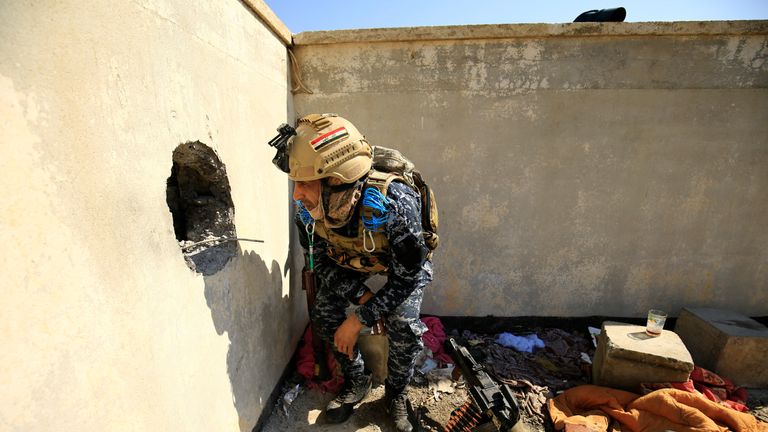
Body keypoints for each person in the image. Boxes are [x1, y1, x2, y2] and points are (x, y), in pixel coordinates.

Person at [269, 113, 433, 432]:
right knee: (325, 314)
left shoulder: (396, 202)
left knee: (404, 325)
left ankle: (396, 394)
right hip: (348, 261)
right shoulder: (308, 211)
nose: (296, 195)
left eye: (304, 184)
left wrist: (359, 318)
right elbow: (321, 266)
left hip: (399, 268)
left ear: (336, 182)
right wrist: (362, 297)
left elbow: (407, 278)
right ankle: (357, 380)